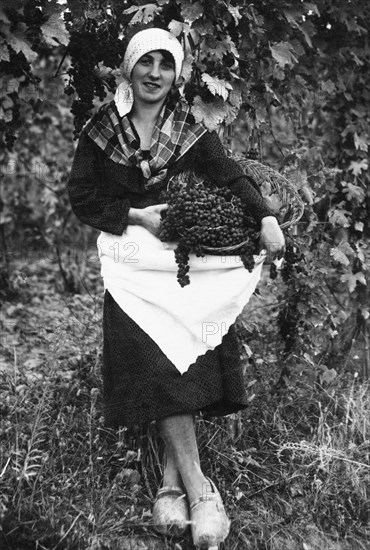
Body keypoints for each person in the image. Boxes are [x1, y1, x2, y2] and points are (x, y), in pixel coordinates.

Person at [68, 28, 285, 549]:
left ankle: (170, 482)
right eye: (147, 63)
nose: (155, 74)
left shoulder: (189, 127)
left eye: (166, 65)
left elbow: (231, 176)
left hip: (181, 265)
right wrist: (137, 214)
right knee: (153, 359)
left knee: (179, 359)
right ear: (130, 67)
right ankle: (200, 489)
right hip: (130, 265)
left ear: (175, 74)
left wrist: (267, 217)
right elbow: (82, 197)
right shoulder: (102, 130)